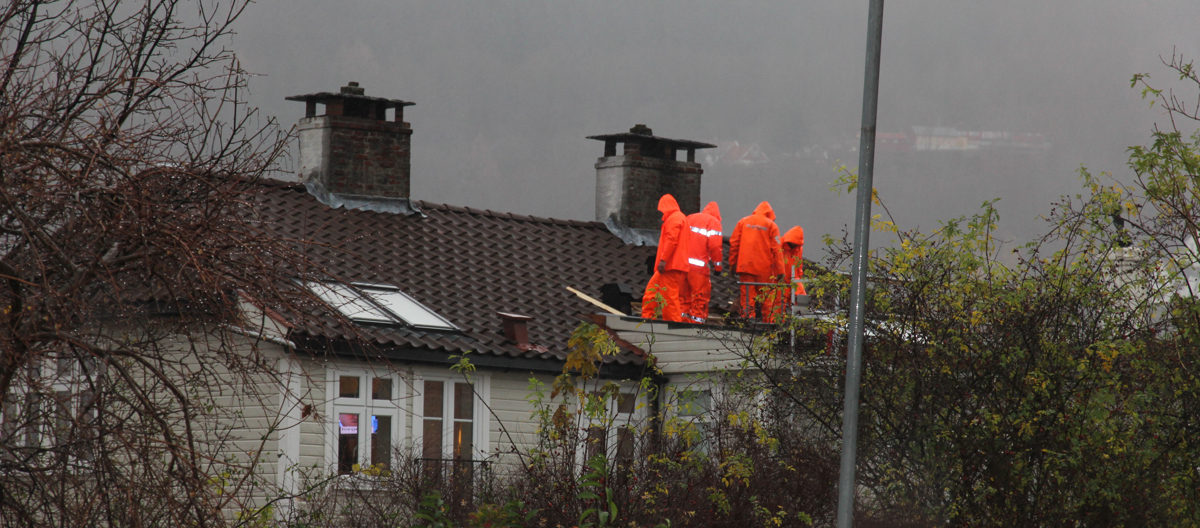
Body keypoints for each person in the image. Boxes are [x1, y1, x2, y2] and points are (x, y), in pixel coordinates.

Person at [728, 201, 784, 322]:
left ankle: (748, 321)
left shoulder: (743, 222)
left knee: (747, 297)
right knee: (767, 299)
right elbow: (777, 249)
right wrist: (780, 270)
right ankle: (770, 324)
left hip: (745, 266)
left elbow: (734, 244)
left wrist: (732, 265)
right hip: (764, 269)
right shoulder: (772, 226)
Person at [641, 194, 691, 322]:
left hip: (670, 265)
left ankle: (673, 324)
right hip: (671, 265)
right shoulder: (679, 218)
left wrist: (663, 260)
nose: (661, 212)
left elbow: (671, 240)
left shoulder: (674, 218)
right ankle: (647, 318)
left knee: (669, 296)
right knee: (652, 291)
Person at [681, 202, 724, 323]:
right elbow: (715, 247)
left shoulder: (690, 217)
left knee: (683, 299)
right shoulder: (713, 222)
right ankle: (697, 328)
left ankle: (681, 325)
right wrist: (718, 267)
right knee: (699, 299)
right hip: (698, 270)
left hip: (682, 265)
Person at [782, 226, 807, 314]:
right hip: (781, 280)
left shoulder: (798, 248)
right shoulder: (778, 246)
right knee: (779, 305)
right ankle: (779, 324)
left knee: (802, 300)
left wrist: (799, 277)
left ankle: (801, 323)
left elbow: (799, 264)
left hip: (794, 279)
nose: (795, 246)